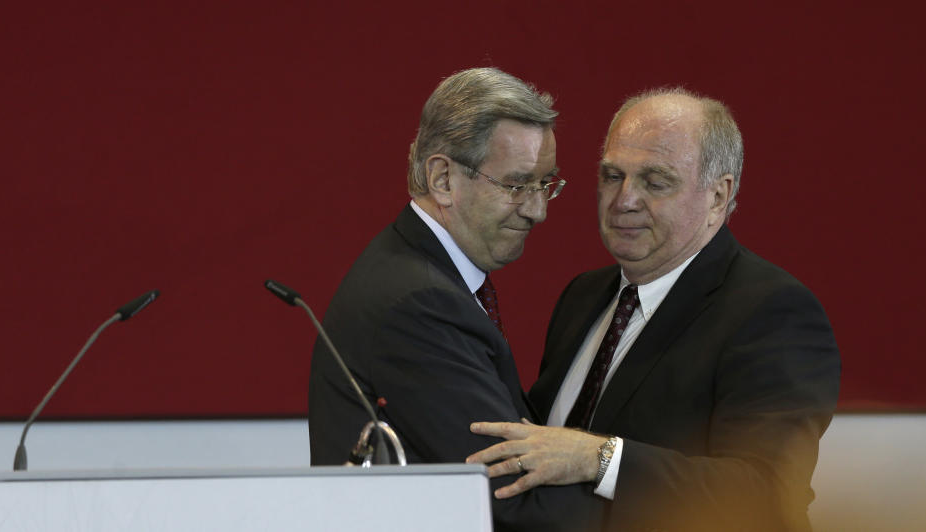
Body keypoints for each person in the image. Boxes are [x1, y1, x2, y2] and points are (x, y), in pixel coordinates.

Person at [467, 88, 841, 531]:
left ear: (719, 196)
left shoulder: (772, 312)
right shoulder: (583, 296)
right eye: (612, 176)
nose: (624, 200)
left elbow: (766, 492)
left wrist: (601, 458)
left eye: (655, 182)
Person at [307, 67, 603, 531]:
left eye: (546, 185)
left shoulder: (412, 268)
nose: (537, 210)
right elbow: (508, 493)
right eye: (516, 185)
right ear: (443, 178)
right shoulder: (420, 303)